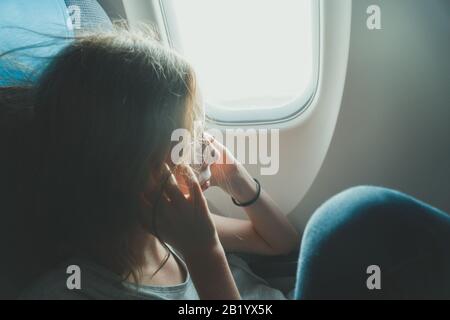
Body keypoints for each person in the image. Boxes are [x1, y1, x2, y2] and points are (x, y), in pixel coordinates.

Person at [3, 28, 448, 300]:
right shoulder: (73, 290)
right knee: (353, 225)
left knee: (359, 224)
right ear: (137, 169)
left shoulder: (170, 231)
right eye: (185, 134)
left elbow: (279, 242)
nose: (201, 141)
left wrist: (235, 179)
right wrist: (206, 255)